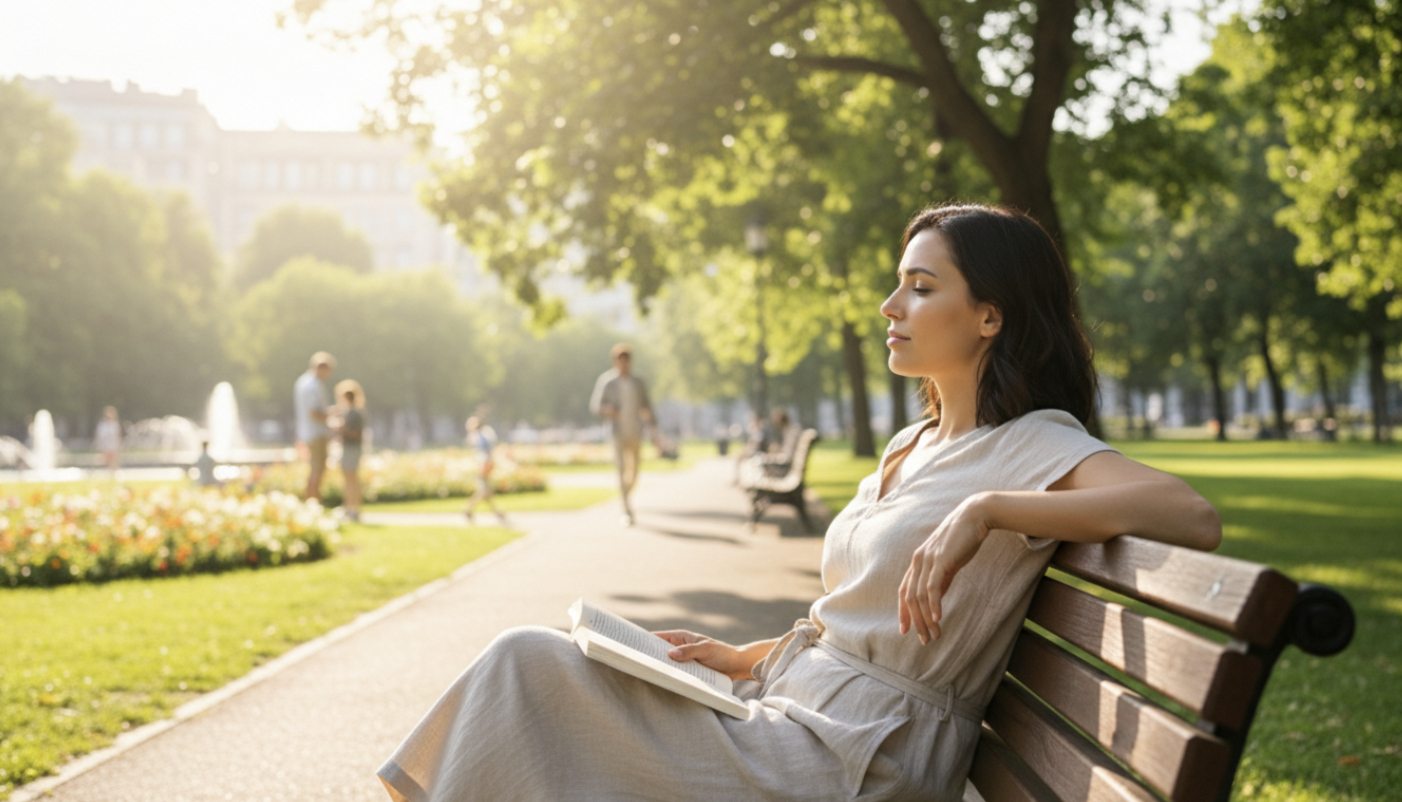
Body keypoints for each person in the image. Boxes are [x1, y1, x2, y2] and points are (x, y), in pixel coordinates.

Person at [376, 204, 1222, 802]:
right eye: (898, 285)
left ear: (990, 315)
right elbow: (855, 619)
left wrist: (989, 511)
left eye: (921, 288)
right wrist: (743, 658)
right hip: (794, 715)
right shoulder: (909, 443)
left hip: (857, 767)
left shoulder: (1032, 445)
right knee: (549, 671)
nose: (891, 307)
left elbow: (1189, 514)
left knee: (531, 667)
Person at [589, 343, 655, 526]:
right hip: (617, 433)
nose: (624, 364)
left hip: (635, 432)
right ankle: (626, 509)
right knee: (620, 470)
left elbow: (647, 406)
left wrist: (654, 429)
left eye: (627, 361)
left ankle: (625, 493)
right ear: (616, 362)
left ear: (630, 362)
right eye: (620, 361)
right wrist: (608, 410)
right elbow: (596, 406)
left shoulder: (638, 382)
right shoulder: (607, 382)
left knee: (633, 473)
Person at [294, 352, 335, 502]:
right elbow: (314, 412)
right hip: (316, 432)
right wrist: (331, 414)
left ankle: (311, 500)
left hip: (309, 432)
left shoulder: (303, 382)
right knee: (318, 469)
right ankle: (313, 501)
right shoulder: (312, 385)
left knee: (315, 468)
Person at [462, 416, 508, 525]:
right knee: (484, 491)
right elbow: (486, 452)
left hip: (484, 464)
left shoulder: (478, 435)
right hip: (483, 464)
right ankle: (468, 509)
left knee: (487, 492)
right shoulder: (480, 435)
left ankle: (497, 512)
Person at [334, 379, 367, 522]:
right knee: (350, 479)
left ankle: (353, 508)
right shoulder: (350, 413)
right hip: (350, 448)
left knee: (351, 479)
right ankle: (350, 507)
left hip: (352, 448)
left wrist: (341, 430)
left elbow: (356, 434)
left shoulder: (354, 414)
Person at [94, 406, 121, 471]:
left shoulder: (115, 424)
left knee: (112, 460)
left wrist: (117, 446)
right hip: (104, 445)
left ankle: (114, 473)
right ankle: (92, 472)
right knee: (103, 459)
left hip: (112, 445)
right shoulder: (102, 425)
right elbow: (99, 436)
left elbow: (117, 436)